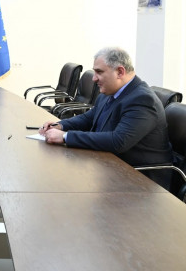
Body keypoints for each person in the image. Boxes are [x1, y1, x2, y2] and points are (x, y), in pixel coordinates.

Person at [40, 47, 173, 187]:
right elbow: (89, 118)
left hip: (141, 180)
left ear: (120, 72)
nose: (94, 78)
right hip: (111, 166)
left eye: (99, 72)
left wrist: (65, 136)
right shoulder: (110, 91)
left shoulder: (143, 99)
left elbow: (118, 141)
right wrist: (61, 125)